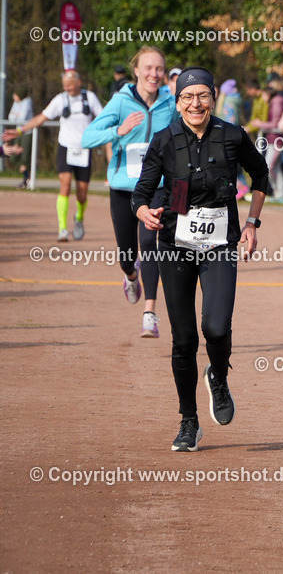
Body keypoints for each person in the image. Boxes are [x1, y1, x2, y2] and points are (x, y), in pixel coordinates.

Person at [132, 67, 269, 452]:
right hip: (175, 245)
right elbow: (140, 193)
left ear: (213, 98)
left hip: (221, 245)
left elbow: (260, 175)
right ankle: (188, 421)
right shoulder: (164, 140)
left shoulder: (231, 135)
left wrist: (253, 223)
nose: (196, 103)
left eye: (203, 96)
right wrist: (145, 213)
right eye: (187, 97)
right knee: (184, 340)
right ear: (177, 103)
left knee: (217, 328)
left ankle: (219, 378)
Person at [81, 46, 177, 337]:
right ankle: (131, 275)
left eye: (159, 68)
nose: (154, 74)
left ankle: (150, 313)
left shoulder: (170, 103)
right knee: (127, 254)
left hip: (156, 187)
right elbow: (88, 137)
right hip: (123, 188)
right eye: (148, 68)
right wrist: (118, 132)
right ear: (136, 70)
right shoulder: (121, 101)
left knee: (150, 242)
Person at [5, 70, 102, 241]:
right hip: (65, 147)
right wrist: (20, 131)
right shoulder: (60, 99)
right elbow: (41, 118)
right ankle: (62, 229)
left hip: (84, 149)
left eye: (70, 86)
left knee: (82, 194)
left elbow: (103, 118)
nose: (68, 89)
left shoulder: (90, 98)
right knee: (64, 185)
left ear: (78, 83)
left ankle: (79, 218)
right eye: (65, 86)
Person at [7, 89, 33, 188]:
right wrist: (16, 116)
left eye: (15, 94)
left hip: (27, 133)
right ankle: (26, 175)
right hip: (18, 132)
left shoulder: (27, 102)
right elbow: (10, 117)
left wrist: (16, 115)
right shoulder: (16, 103)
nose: (14, 96)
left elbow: (23, 118)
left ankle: (27, 180)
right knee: (13, 157)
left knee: (25, 157)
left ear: (20, 95)